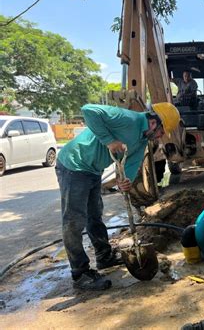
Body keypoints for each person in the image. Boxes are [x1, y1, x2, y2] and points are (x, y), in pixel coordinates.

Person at [56, 102, 180, 291]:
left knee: (95, 216)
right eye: (162, 131)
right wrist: (109, 140)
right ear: (154, 123)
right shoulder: (128, 118)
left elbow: (132, 163)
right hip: (74, 165)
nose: (162, 136)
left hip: (93, 170)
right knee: (74, 221)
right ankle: (80, 273)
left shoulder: (141, 140)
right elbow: (88, 110)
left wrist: (125, 181)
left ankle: (104, 257)